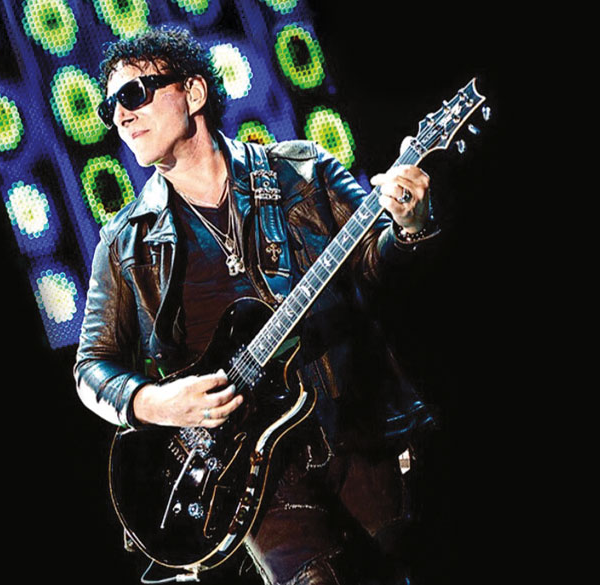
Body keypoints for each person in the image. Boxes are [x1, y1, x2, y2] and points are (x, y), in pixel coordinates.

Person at [75, 26, 440, 585]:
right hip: (253, 475)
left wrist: (409, 225)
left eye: (133, 94)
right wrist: (155, 402)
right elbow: (91, 367)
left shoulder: (301, 171)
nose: (121, 116)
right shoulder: (125, 242)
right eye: (110, 108)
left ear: (193, 92)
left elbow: (376, 261)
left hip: (356, 429)